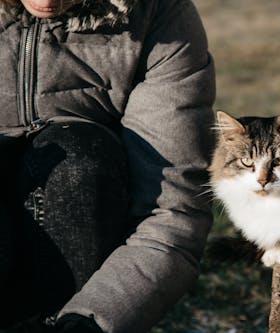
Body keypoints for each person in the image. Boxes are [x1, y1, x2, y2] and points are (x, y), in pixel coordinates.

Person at [0, 0, 215, 332]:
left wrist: (92, 322)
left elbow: (170, 212)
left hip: (88, 217)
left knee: (79, 159)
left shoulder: (157, 12)